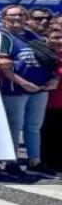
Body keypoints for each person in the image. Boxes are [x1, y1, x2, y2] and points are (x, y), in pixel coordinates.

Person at [0, 4, 58, 174]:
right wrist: (22, 82)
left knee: (34, 125)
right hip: (16, 88)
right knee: (14, 124)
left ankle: (34, 160)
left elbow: (50, 59)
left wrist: (54, 78)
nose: (17, 18)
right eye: (12, 16)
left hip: (41, 87)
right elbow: (2, 65)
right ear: (3, 18)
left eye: (20, 15)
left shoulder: (31, 34)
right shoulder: (1, 35)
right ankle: (11, 160)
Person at [42, 24, 62, 171]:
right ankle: (47, 163)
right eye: (55, 38)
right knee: (48, 134)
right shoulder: (44, 55)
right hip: (47, 102)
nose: (59, 41)